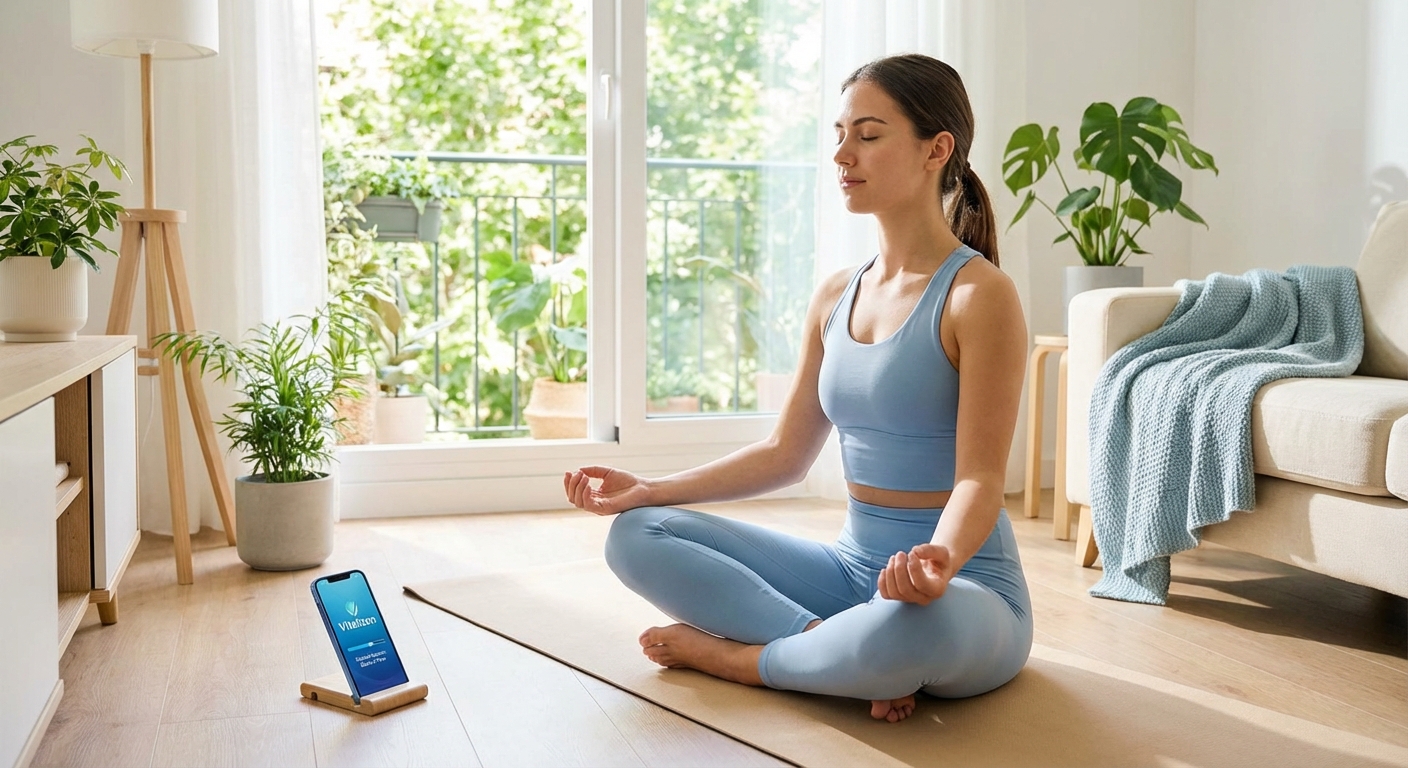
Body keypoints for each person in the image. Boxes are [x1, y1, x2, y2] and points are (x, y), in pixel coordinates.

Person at [562, 53, 1031, 723]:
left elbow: (980, 480)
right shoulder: (836, 294)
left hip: (962, 586)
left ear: (938, 150)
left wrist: (939, 560)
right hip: (847, 573)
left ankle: (738, 659)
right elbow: (786, 453)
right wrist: (650, 489)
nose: (844, 153)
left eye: (868, 135)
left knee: (909, 628)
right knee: (637, 535)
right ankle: (824, 647)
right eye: (838, 134)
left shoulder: (979, 294)